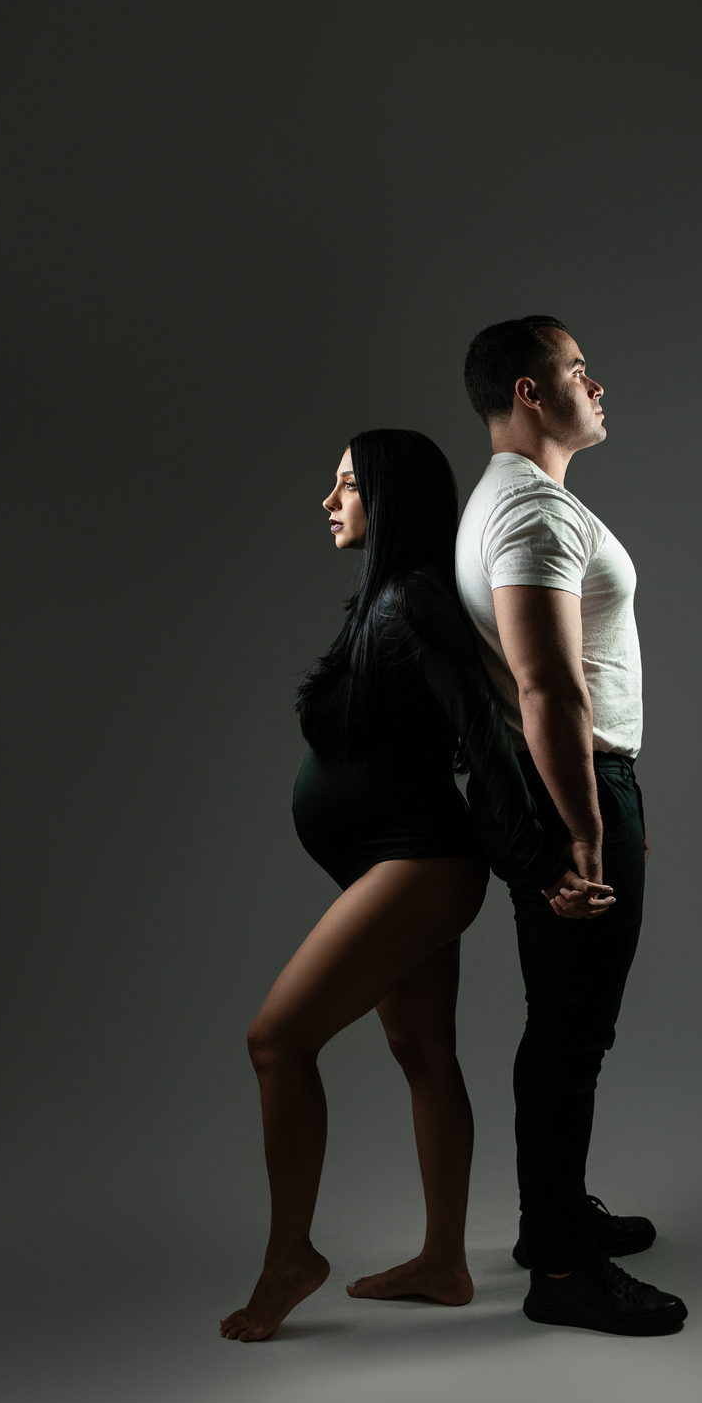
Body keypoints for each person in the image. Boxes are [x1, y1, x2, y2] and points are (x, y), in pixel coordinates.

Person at [221, 428, 574, 1342]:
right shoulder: (387, 598)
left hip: (419, 865)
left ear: (388, 495)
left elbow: (484, 735)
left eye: (346, 484)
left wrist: (539, 862)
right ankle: (445, 1264)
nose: (329, 500)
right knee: (423, 1052)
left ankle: (289, 1260)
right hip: (395, 862)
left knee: (276, 1041)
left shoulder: (413, 598)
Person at [456, 317, 687, 1336]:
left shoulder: (518, 501)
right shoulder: (531, 514)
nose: (598, 387)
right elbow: (547, 686)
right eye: (579, 371)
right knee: (571, 1030)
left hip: (579, 781)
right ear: (530, 391)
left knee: (566, 1022)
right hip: (572, 784)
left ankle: (551, 1217)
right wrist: (587, 835)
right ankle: (560, 1267)